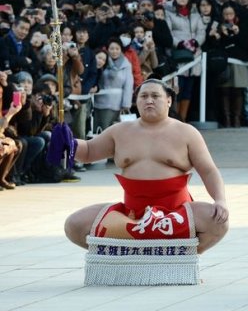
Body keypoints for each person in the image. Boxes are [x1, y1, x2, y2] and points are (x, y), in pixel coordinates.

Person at [60, 79, 229, 254]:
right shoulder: (119, 131)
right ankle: (126, 255)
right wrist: (68, 143)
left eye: (155, 96)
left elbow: (208, 171)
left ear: (169, 100)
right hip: (130, 215)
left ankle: (182, 255)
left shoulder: (187, 133)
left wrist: (220, 200)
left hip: (175, 214)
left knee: (218, 221)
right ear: (137, 101)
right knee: (74, 225)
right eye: (144, 96)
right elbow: (88, 151)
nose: (149, 100)